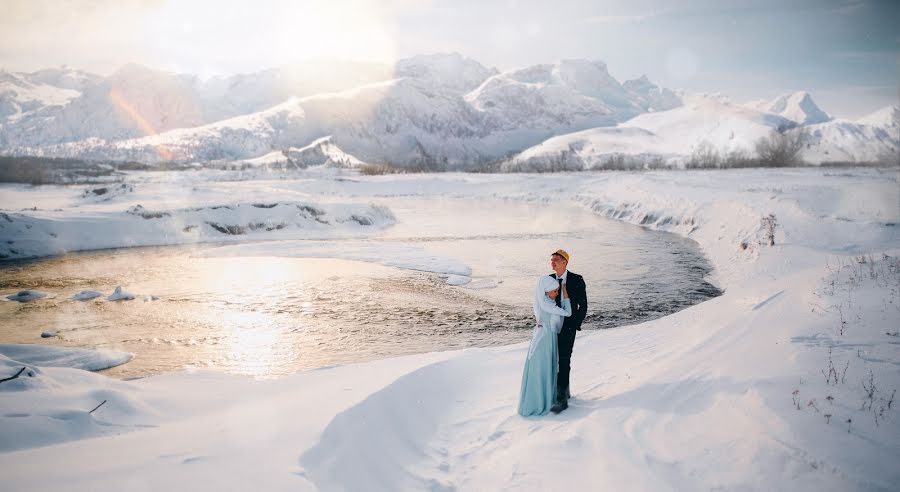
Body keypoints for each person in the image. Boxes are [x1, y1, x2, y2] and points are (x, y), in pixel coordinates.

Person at [518, 275, 571, 416]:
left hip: (544, 337)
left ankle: (540, 400)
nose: (557, 293)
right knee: (544, 368)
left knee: (541, 368)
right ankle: (540, 402)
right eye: (555, 291)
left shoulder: (543, 302)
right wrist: (566, 295)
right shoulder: (548, 305)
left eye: (558, 290)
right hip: (546, 340)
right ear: (546, 291)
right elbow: (568, 312)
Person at [549, 249, 587, 414]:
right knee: (552, 360)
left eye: (556, 259)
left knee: (564, 360)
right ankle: (564, 391)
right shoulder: (548, 280)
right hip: (551, 328)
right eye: (551, 259)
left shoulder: (577, 280)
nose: (552, 262)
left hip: (568, 327)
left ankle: (562, 399)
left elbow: (583, 305)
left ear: (564, 262)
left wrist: (574, 324)